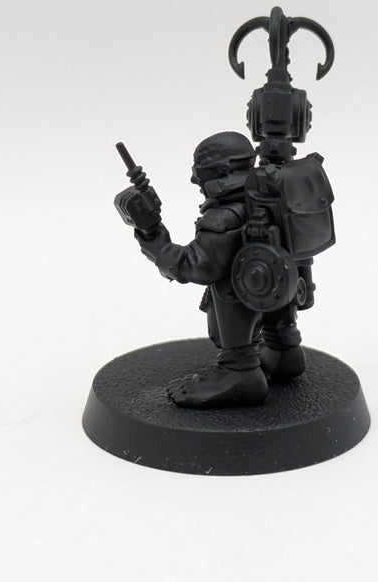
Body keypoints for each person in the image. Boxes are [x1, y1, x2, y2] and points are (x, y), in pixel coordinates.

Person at [131, 131, 306, 409]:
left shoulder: (224, 217)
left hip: (247, 295)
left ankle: (240, 371)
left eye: (200, 172)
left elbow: (196, 266)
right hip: (282, 287)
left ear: (221, 172)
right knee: (261, 270)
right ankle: (284, 350)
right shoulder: (272, 195)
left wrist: (153, 237)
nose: (195, 181)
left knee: (228, 284)